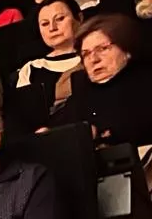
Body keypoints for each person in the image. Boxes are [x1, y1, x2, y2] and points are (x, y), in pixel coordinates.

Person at [59, 13, 152, 145]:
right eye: (86, 54)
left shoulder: (146, 81)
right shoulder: (80, 93)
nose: (94, 59)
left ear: (127, 50)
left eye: (102, 49)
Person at [18, 0, 84, 99]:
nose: (52, 28)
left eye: (60, 19)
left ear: (79, 18)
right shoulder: (31, 69)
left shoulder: (95, 55)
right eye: (45, 24)